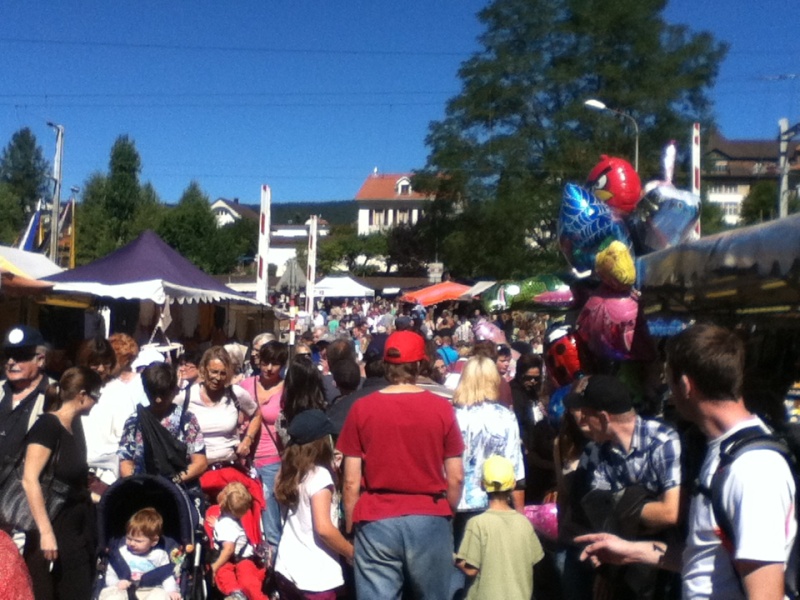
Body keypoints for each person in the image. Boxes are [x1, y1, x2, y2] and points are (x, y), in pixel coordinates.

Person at [577, 324, 797, 600]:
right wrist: (630, 551)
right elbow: (706, 558)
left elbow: (765, 595)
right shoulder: (723, 452)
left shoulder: (752, 470)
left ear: (685, 385)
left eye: (667, 380)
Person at [337, 330, 465, 599]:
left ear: (386, 365)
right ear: (419, 365)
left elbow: (350, 482)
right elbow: (456, 478)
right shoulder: (441, 408)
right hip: (429, 516)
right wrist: (446, 514)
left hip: (376, 519)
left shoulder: (362, 408)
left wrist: (351, 528)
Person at [566, 374, 682, 598]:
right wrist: (643, 505)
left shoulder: (662, 440)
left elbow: (669, 513)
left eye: (585, 417)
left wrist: (621, 505)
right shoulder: (597, 452)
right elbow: (599, 513)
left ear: (603, 417)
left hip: (665, 566)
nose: (582, 424)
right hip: (623, 568)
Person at [22, 366, 102, 600]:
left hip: (77, 528)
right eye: (96, 396)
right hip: (53, 529)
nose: (97, 402)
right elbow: (30, 479)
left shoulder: (73, 427)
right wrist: (46, 533)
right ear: (82, 395)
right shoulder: (48, 425)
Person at [274, 410, 354, 599]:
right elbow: (324, 528)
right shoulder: (319, 476)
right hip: (316, 576)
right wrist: (352, 552)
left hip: (287, 567)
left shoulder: (286, 472)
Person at [452, 356, 525, 545]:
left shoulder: (451, 417)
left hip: (456, 505)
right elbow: (515, 469)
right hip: (494, 504)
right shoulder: (505, 417)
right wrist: (519, 516)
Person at [456, 455, 544, 600]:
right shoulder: (524, 523)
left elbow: (471, 570)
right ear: (514, 484)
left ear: (482, 484)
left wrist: (452, 557)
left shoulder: (477, 523)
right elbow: (536, 560)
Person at [118, 363, 207, 487]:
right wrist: (138, 484)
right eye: (153, 394)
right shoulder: (134, 422)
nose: (158, 400)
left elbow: (200, 463)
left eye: (163, 394)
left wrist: (172, 482)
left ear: (173, 390)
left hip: (180, 490)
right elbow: (125, 462)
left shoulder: (186, 420)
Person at [238, 340, 288, 555]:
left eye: (275, 364)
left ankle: (273, 571)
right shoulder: (245, 386)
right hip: (243, 460)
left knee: (271, 522)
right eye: (266, 362)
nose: (269, 369)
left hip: (273, 462)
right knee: (244, 517)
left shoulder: (287, 389)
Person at [187, 346, 261, 467]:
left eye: (223, 373)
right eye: (214, 372)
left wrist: (248, 439)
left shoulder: (236, 393)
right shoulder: (187, 396)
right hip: (197, 469)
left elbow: (257, 415)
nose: (218, 378)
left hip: (229, 466)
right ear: (204, 370)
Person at [0, 326, 52, 472]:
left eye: (20, 355)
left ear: (40, 360)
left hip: (21, 489)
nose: (11, 361)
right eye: (7, 355)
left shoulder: (55, 394)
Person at [100, 508, 180, 600]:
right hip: (123, 589)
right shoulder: (122, 553)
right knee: (110, 595)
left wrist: (171, 591)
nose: (132, 543)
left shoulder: (159, 555)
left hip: (149, 590)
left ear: (154, 541)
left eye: (138, 541)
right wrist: (116, 583)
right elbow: (110, 573)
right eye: (129, 538)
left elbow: (166, 577)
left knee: (160, 595)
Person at [210, 482, 266, 600]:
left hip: (232, 557)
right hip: (245, 557)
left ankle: (235, 593)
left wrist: (214, 567)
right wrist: (217, 524)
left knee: (223, 572)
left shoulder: (226, 524)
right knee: (248, 581)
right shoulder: (231, 519)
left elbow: (228, 549)